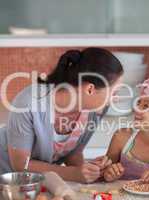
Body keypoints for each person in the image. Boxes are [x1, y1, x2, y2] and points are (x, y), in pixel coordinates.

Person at [0, 47, 124, 183]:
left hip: (42, 183)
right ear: (90, 89)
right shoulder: (29, 103)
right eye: (114, 92)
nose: (116, 99)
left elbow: (72, 152)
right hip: (8, 181)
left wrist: (90, 170)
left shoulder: (94, 110)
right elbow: (21, 166)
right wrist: (72, 173)